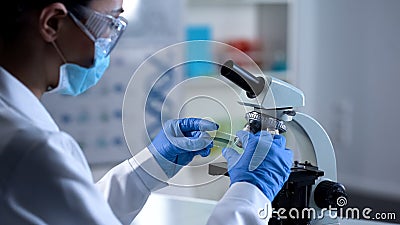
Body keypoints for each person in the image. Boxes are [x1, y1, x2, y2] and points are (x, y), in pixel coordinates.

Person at [0, 0, 293, 224]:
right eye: (110, 23)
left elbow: (70, 210)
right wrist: (250, 192)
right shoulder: (33, 149)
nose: (110, 41)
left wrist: (149, 167)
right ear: (52, 22)